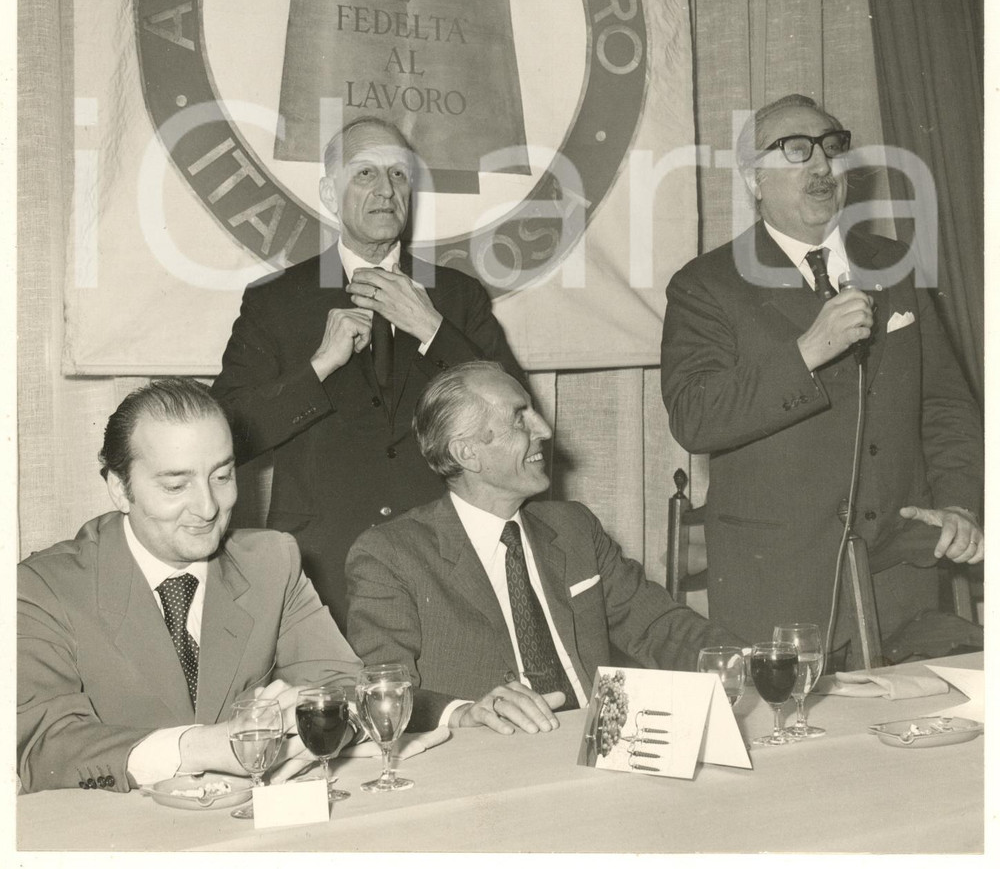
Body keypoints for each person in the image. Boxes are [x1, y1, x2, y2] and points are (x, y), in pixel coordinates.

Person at [660, 93, 983, 650]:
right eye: (796, 150)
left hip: (902, 581)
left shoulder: (894, 264)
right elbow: (694, 417)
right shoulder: (706, 285)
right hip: (780, 590)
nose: (821, 164)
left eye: (832, 147)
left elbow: (946, 406)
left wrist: (958, 503)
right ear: (754, 180)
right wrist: (806, 351)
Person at [213, 117, 525, 622]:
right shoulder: (275, 302)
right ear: (329, 194)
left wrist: (433, 330)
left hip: (446, 559)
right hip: (322, 566)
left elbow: (516, 424)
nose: (385, 190)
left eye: (399, 175)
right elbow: (225, 434)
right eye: (364, 174)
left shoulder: (457, 297)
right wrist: (319, 366)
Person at [346, 361, 732, 736]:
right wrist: (463, 713)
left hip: (596, 746)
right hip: (488, 766)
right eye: (520, 419)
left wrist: (747, 659)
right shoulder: (391, 554)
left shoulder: (573, 528)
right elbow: (381, 690)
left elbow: (658, 626)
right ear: (467, 453)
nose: (544, 430)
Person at [17, 379, 362, 794]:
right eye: (175, 486)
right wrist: (201, 748)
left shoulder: (272, 561)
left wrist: (309, 721)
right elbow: (41, 750)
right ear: (119, 489)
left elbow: (347, 688)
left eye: (222, 475)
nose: (208, 507)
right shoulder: (41, 588)